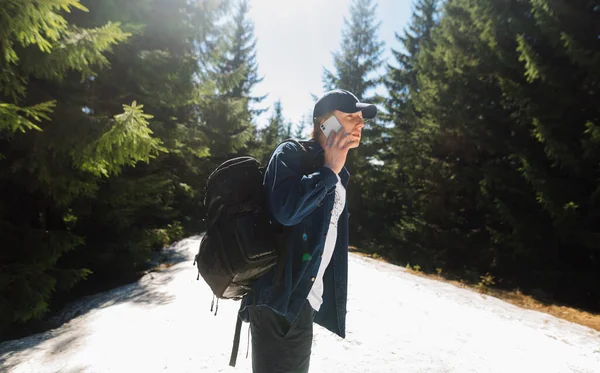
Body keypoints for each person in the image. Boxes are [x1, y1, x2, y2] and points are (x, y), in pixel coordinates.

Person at [238, 89, 377, 373]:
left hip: (302, 299)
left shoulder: (340, 174)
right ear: (325, 122)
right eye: (351, 117)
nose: (360, 124)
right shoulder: (291, 154)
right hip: (279, 298)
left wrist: (333, 171)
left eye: (361, 118)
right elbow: (286, 212)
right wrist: (328, 171)